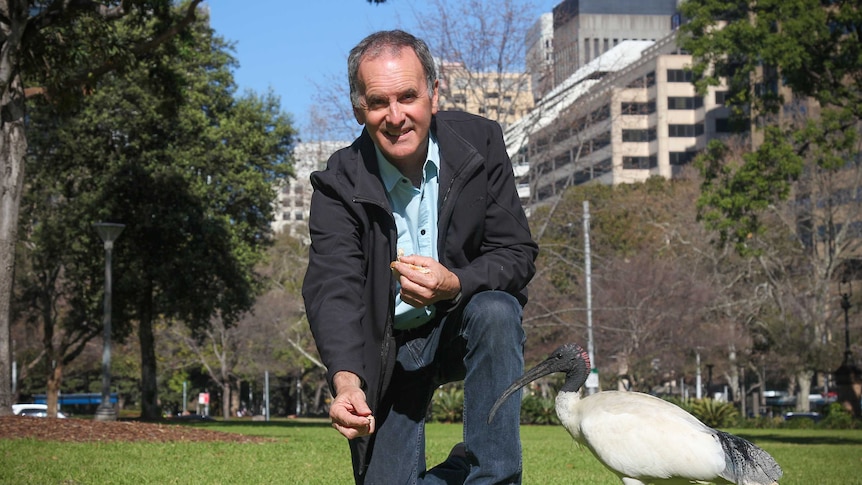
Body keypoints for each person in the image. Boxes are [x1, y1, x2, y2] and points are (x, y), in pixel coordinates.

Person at [302, 29, 538, 484]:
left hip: (461, 324)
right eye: (378, 102)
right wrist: (347, 382)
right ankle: (462, 468)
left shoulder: (480, 144)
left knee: (496, 308)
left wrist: (455, 284)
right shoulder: (337, 185)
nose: (395, 117)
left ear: (433, 92)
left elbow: (516, 252)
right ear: (358, 109)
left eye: (408, 96)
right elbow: (333, 290)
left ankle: (494, 476)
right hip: (388, 349)